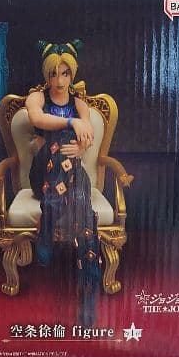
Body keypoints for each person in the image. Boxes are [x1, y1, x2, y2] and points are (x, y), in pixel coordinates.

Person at [24, 40, 103, 286]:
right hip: (43, 174)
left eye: (65, 73)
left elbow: (88, 135)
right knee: (58, 145)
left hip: (73, 174)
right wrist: (71, 123)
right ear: (46, 75)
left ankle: (48, 225)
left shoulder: (79, 103)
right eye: (54, 74)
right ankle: (89, 267)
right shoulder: (38, 97)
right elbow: (37, 118)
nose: (59, 80)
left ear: (72, 74)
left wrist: (82, 147)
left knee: (80, 196)